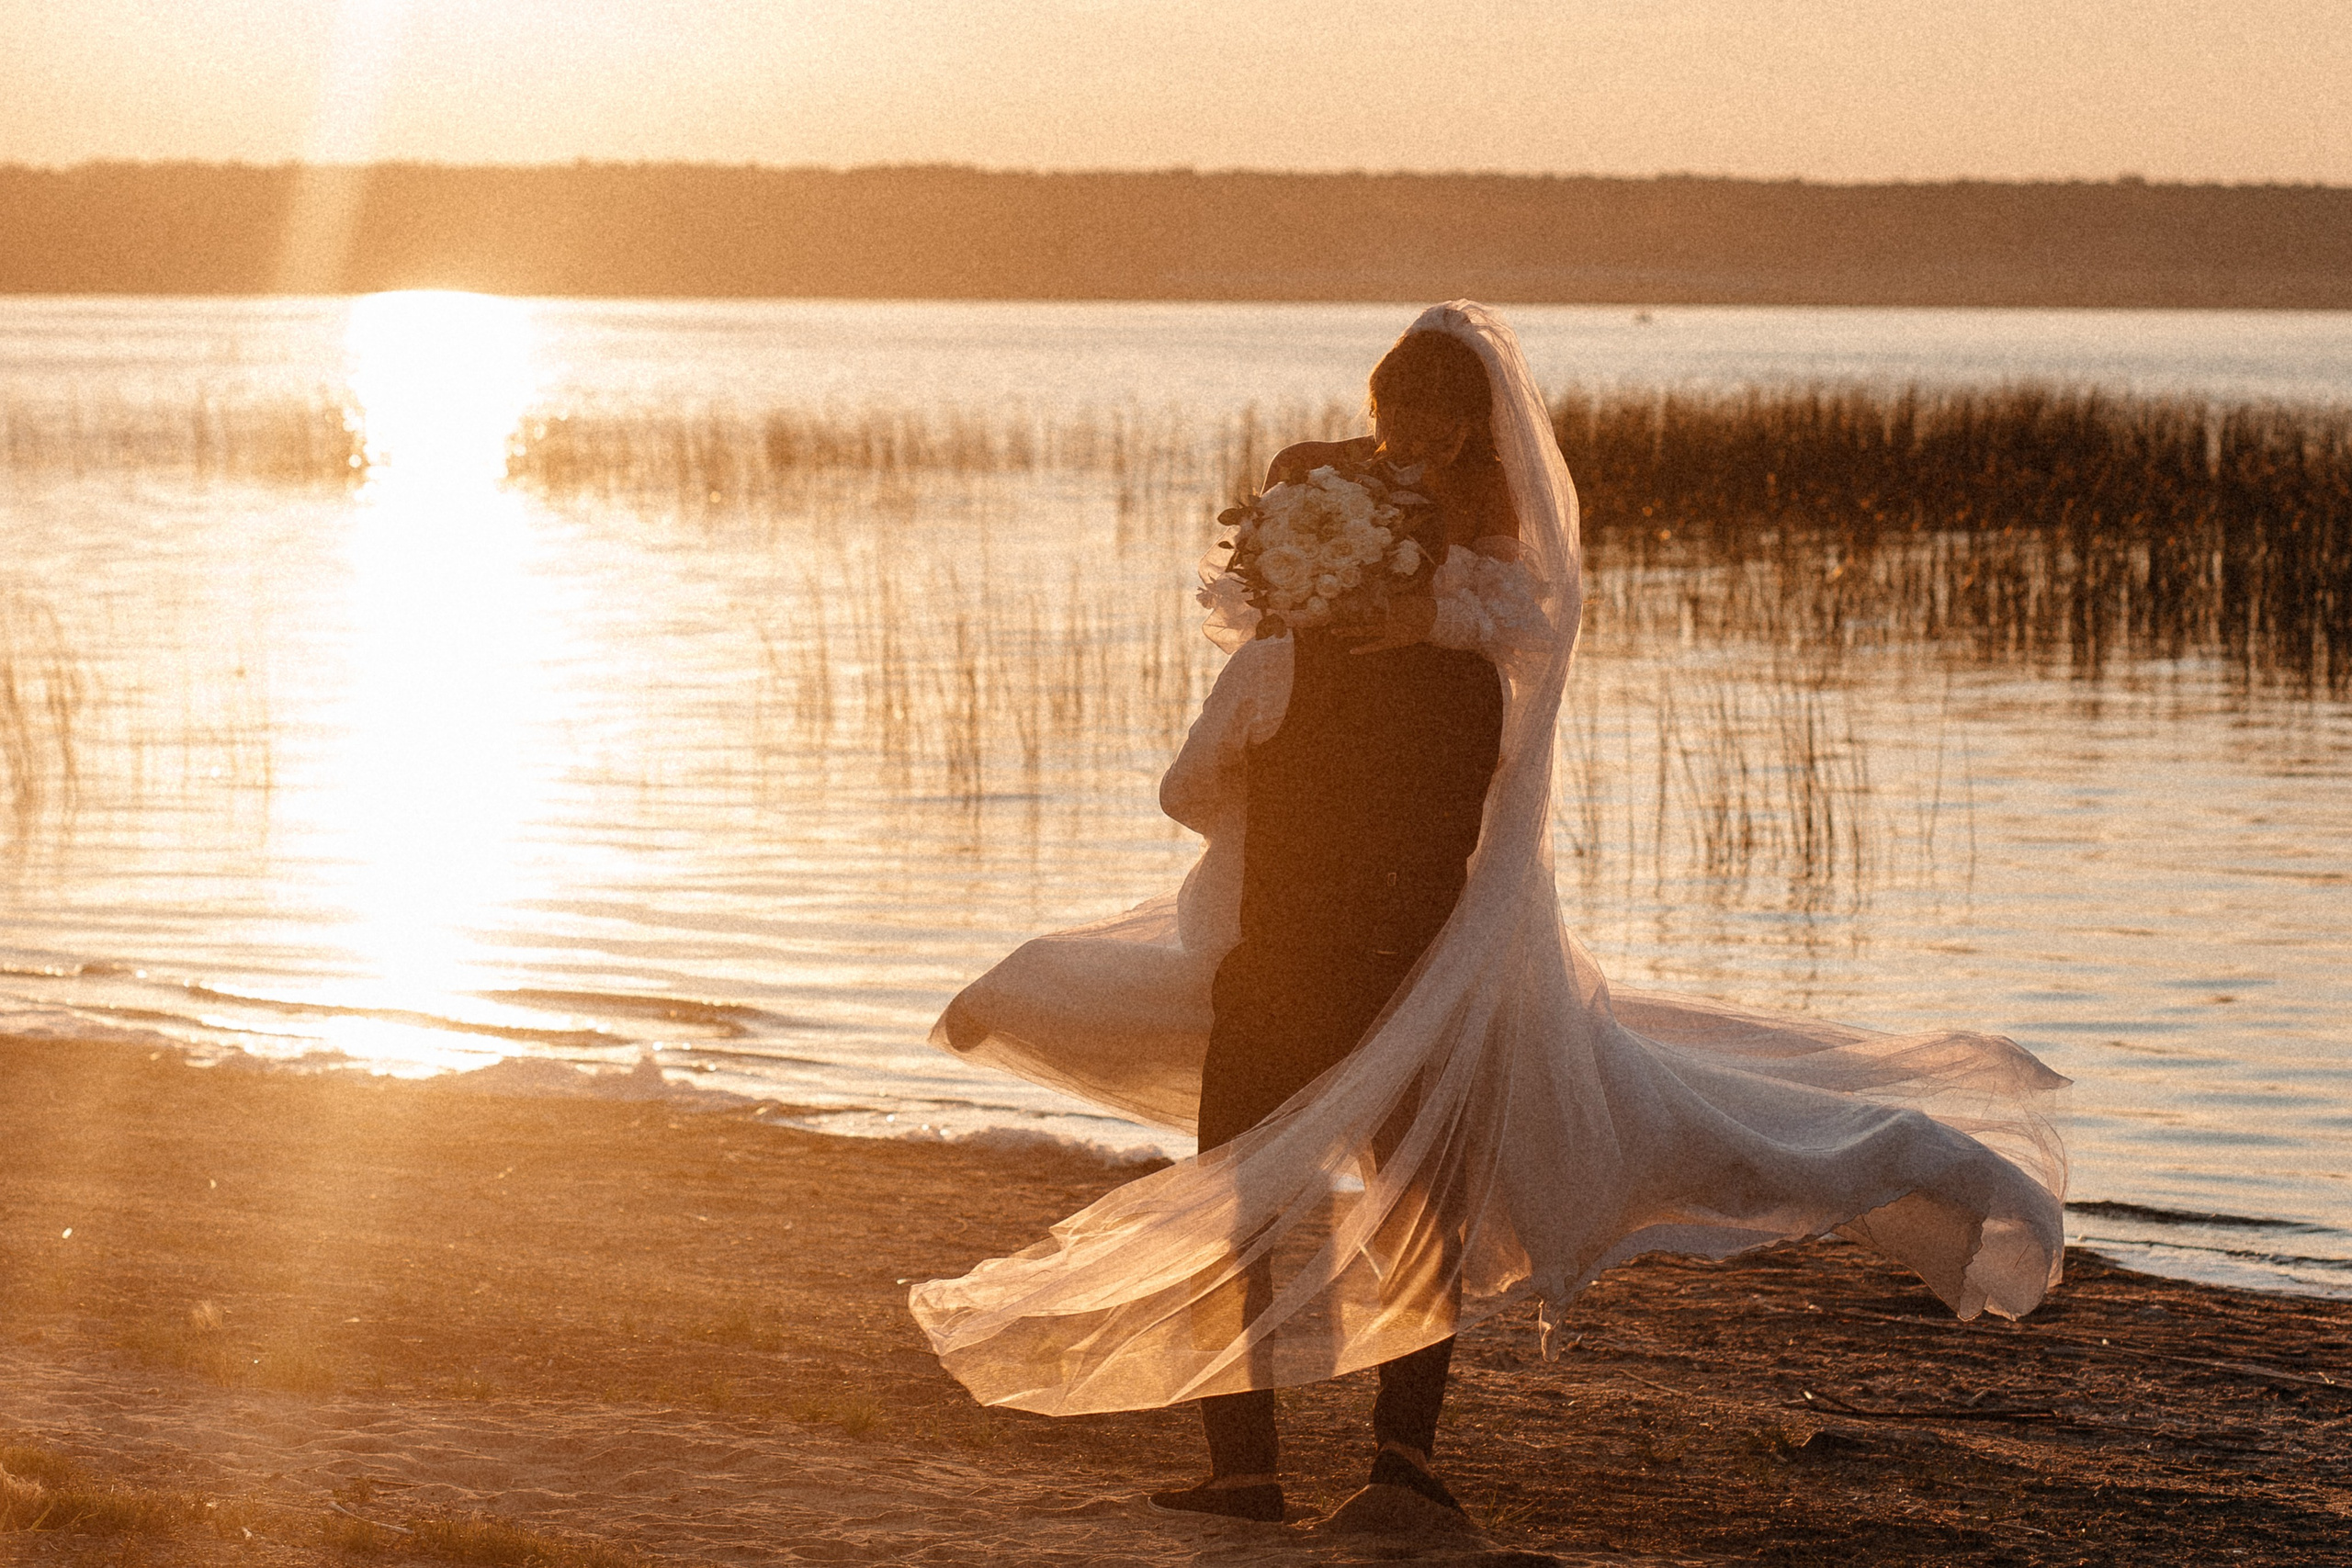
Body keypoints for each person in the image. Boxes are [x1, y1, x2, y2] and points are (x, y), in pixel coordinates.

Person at [911, 301, 2066, 1526]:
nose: (1402, 433)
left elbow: (1193, 793)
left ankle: (1292, 1472)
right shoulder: (1461, 675)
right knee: (1396, 1212)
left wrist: (1286, 780)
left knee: (1265, 1209)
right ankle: (1371, 1469)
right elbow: (1473, 726)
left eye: (1427, 413)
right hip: (1414, 958)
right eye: (1388, 412)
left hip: (1330, 963)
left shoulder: (1339, 658)